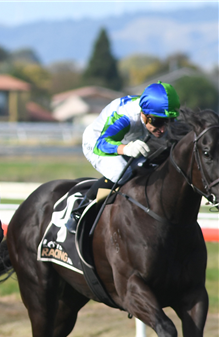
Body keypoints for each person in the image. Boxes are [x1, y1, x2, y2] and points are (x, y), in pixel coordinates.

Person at [66, 81, 180, 232]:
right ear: (144, 114)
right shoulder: (126, 116)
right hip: (98, 142)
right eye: (158, 121)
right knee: (121, 171)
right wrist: (125, 149)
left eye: (168, 121)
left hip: (130, 140)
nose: (163, 128)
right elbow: (101, 144)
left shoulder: (158, 111)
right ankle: (81, 210)